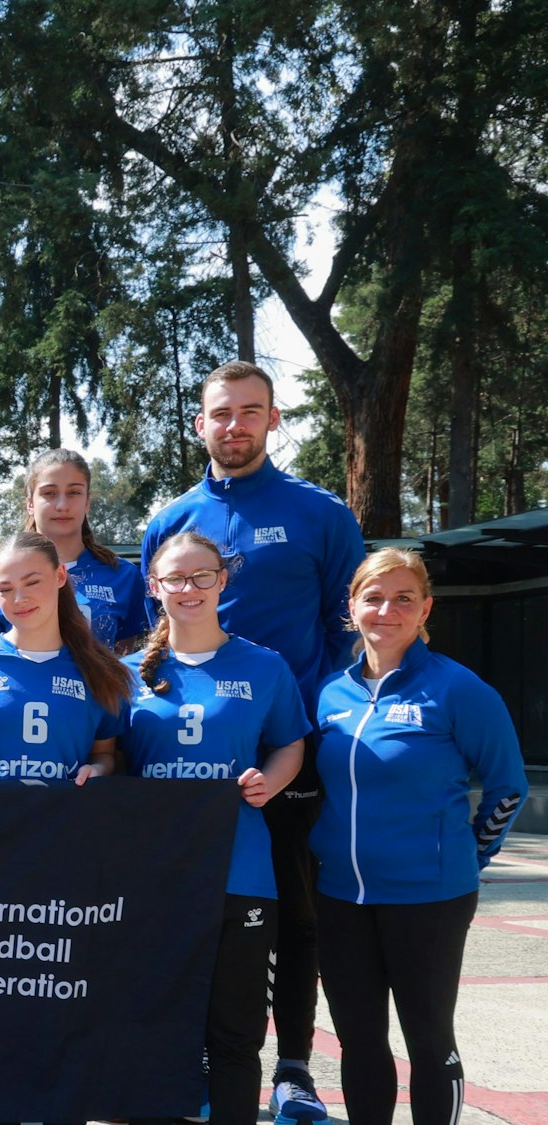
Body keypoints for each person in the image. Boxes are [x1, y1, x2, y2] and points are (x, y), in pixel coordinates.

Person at [140, 361, 366, 1123]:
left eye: (249, 411)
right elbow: (152, 640)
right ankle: (198, 1062)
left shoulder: (320, 514)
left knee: (296, 915)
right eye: (219, 413)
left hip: (289, 748)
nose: (233, 425)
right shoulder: (169, 520)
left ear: (273, 419)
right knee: (191, 913)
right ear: (197, 424)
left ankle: (294, 1067)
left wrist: (305, 712)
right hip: (193, 766)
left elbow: (352, 622)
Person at [310, 549, 527, 1125]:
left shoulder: (458, 689)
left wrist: (463, 856)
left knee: (429, 1040)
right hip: (340, 897)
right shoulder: (332, 694)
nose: (388, 610)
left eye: (404, 598)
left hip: (429, 900)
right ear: (352, 607)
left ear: (425, 607)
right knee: (359, 1042)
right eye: (374, 597)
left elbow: (508, 786)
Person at [121, 531, 308, 1125]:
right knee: (154, 1028)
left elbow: (290, 745)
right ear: (154, 588)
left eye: (202, 576)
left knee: (235, 1035)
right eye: (175, 578)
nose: (189, 588)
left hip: (241, 874)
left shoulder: (264, 666)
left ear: (223, 580)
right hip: (154, 881)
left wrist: (273, 781)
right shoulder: (124, 674)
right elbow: (108, 758)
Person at [0, 531, 131, 785]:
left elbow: (104, 753)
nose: (19, 599)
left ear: (60, 575)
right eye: (5, 589)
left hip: (62, 819)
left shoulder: (99, 669)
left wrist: (98, 768)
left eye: (32, 582)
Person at [0, 449, 147, 650]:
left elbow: (124, 661)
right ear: (30, 503)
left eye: (74, 492)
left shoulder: (123, 575)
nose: (62, 505)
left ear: (87, 501)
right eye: (49, 493)